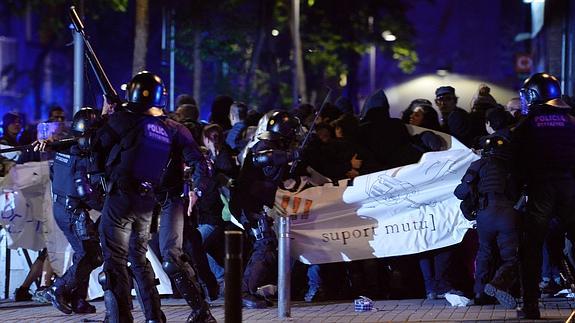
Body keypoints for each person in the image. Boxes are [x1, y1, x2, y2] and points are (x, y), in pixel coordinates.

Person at [91, 71, 175, 323]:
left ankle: (120, 318)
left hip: (121, 200)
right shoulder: (162, 127)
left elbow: (96, 145)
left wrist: (106, 115)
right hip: (147, 202)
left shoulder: (123, 120)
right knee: (139, 260)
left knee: (114, 262)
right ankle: (153, 317)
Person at [512, 72, 575, 319]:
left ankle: (530, 306)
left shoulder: (527, 124)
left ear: (535, 94)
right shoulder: (572, 121)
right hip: (570, 188)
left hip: (540, 190)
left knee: (531, 248)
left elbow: (516, 162)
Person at [230, 111, 301, 308]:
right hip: (248, 205)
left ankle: (251, 290)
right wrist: (290, 155)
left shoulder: (273, 146)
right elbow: (262, 159)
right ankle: (242, 293)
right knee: (265, 244)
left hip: (257, 203)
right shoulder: (262, 146)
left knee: (267, 246)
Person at [154, 101, 216, 322]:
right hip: (138, 199)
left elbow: (200, 162)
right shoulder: (127, 125)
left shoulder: (175, 130)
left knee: (172, 256)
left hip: (170, 198)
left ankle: (201, 309)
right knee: (125, 256)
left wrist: (196, 190)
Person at [45, 107, 104, 315]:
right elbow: (85, 192)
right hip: (72, 210)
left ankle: (79, 300)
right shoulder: (83, 157)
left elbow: (54, 174)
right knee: (92, 255)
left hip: (62, 207)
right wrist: (105, 207)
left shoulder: (63, 150)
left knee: (83, 253)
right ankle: (58, 288)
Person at [454, 132, 520, 309]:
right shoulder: (512, 166)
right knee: (512, 258)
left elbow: (460, 193)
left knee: (484, 253)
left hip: (485, 215)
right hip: (508, 214)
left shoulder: (478, 164)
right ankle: (499, 284)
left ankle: (479, 293)